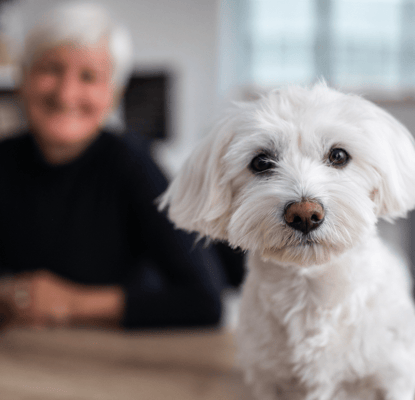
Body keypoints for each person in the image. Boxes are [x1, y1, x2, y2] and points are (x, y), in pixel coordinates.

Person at [0, 2, 225, 329]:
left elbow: (206, 300)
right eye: (50, 70)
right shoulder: (4, 160)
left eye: (88, 76)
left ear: (113, 94)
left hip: (122, 359)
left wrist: (71, 303)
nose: (66, 93)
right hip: (31, 358)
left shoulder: (134, 164)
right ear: (23, 81)